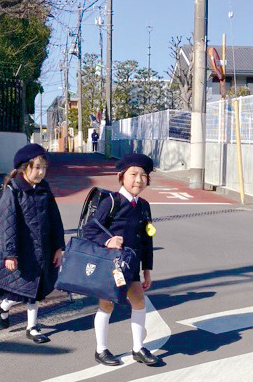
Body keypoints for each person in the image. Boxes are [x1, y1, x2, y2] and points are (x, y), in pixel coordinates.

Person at [82, 153, 159, 367]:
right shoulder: (111, 201)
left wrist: (147, 269)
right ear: (121, 176)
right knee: (106, 305)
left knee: (139, 302)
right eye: (133, 174)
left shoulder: (144, 205)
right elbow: (89, 230)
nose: (139, 180)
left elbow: (147, 240)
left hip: (132, 265)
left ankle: (138, 348)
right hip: (111, 265)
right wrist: (108, 240)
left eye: (143, 176)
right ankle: (101, 350)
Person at [0, 144, 65, 344]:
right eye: (37, 167)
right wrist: (10, 253)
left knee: (36, 290)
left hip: (43, 248)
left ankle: (31, 326)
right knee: (22, 290)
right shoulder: (13, 190)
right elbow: (7, 225)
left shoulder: (44, 188)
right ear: (24, 167)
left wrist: (59, 246)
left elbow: (54, 218)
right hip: (22, 250)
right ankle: (4, 306)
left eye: (44, 167)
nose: (41, 172)